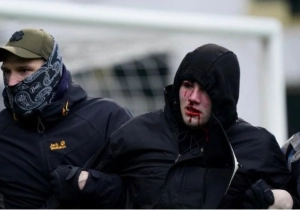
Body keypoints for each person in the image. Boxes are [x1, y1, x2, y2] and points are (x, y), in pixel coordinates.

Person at [51, 43, 291, 208]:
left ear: (225, 96)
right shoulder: (136, 133)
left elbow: (290, 200)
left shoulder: (258, 146)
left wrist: (280, 200)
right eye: (188, 85)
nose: (193, 97)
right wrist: (73, 182)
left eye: (206, 89)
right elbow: (95, 189)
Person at [0, 28, 132, 208]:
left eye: (24, 70)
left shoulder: (107, 117)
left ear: (52, 69)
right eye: (7, 72)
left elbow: (142, 191)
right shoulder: (2, 131)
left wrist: (86, 182)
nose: (12, 81)